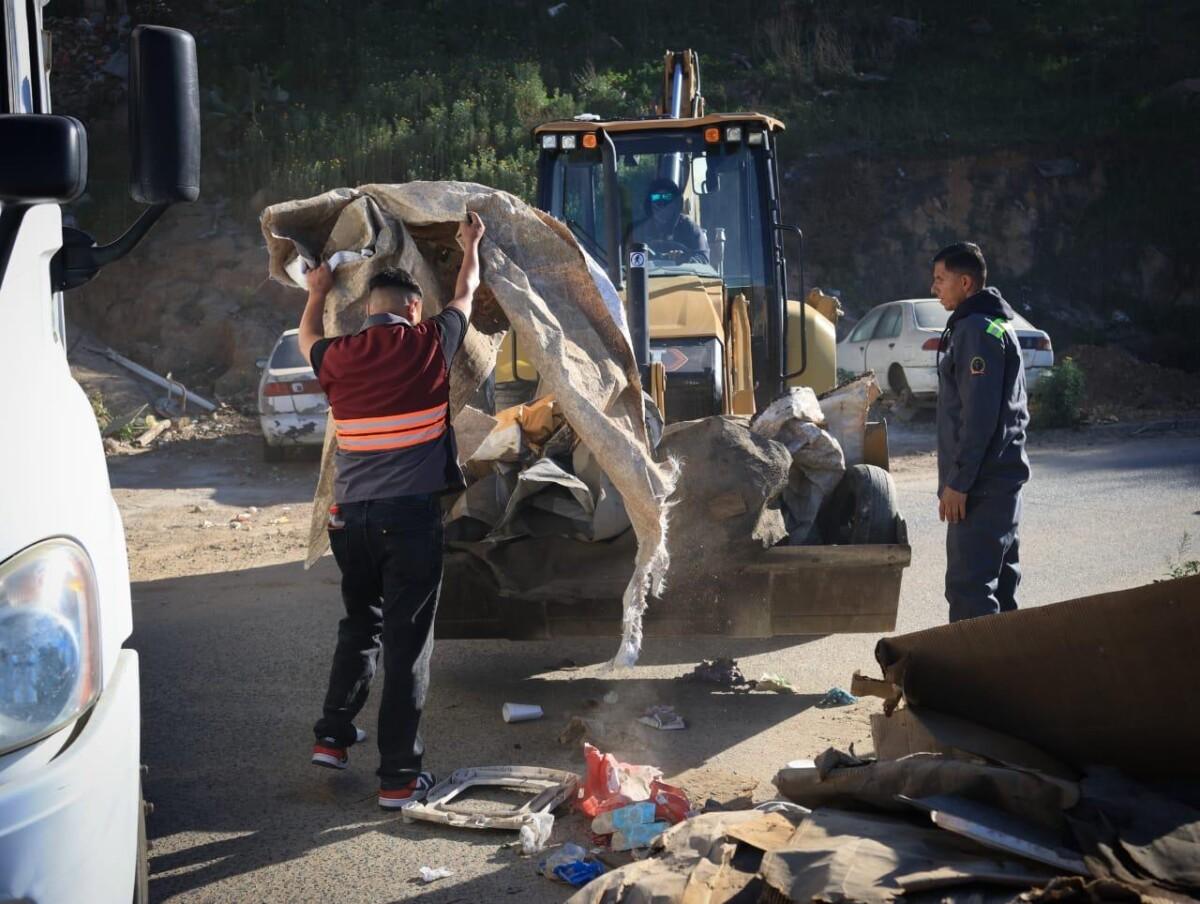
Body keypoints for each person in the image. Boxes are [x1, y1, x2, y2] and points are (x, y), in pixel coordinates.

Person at [297, 212, 485, 808]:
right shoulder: (430, 343)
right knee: (408, 642)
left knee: (360, 623)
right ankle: (399, 778)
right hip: (408, 520)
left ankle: (332, 738)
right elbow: (468, 292)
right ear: (410, 310)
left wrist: (317, 293)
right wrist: (470, 244)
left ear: (368, 309)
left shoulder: (339, 357)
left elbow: (307, 339)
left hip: (349, 520)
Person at [931, 241, 1031, 622]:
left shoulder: (976, 330)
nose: (934, 287)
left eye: (941, 279)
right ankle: (1007, 672)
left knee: (970, 588)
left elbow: (980, 418)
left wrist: (959, 483)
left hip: (981, 488)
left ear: (966, 282)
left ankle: (975, 678)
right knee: (1000, 588)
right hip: (999, 483)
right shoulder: (993, 324)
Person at [627, 177, 709, 263]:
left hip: (683, 275)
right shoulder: (639, 231)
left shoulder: (690, 228)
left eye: (667, 198)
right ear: (649, 204)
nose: (662, 205)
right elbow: (626, 262)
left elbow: (703, 259)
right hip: (647, 276)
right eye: (656, 198)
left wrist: (685, 258)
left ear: (676, 204)